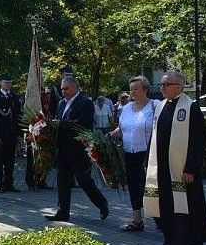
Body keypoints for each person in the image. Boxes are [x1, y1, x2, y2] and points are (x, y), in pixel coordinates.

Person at [143, 71, 206, 245]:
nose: (162, 88)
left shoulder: (190, 108)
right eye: (162, 85)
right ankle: (170, 238)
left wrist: (191, 168)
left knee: (181, 208)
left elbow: (198, 142)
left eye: (167, 85)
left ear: (179, 87)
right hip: (162, 168)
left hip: (181, 170)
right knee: (163, 205)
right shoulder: (161, 106)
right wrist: (147, 161)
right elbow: (154, 135)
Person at [45, 76, 109, 222]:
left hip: (79, 150)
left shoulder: (85, 102)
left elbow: (83, 124)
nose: (63, 91)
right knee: (62, 180)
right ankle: (63, 211)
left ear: (75, 87)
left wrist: (60, 124)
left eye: (66, 88)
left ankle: (102, 203)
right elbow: (58, 122)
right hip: (63, 148)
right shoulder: (62, 103)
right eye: (62, 88)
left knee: (83, 180)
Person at [109, 76, 158, 232]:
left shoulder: (155, 106)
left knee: (151, 188)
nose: (133, 92)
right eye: (131, 89)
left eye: (136, 89)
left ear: (145, 89)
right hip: (129, 154)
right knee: (134, 187)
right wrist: (109, 135)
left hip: (149, 155)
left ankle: (160, 218)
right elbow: (122, 129)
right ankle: (137, 220)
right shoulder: (127, 108)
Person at [0, 74, 21, 193]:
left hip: (11, 135)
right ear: (0, 83)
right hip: (0, 136)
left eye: (10, 82)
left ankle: (9, 184)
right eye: (6, 82)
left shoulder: (14, 97)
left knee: (10, 162)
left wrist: (19, 135)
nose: (8, 84)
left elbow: (18, 117)